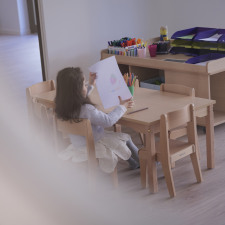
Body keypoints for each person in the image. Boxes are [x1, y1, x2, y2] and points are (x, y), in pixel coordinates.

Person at [54, 67, 139, 173]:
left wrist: (90, 85)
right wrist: (122, 106)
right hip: (95, 142)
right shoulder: (87, 109)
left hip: (78, 143)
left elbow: (78, 98)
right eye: (84, 85)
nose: (85, 87)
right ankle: (140, 162)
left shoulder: (63, 106)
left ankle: (134, 163)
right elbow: (108, 121)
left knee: (117, 140)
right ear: (77, 90)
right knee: (125, 138)